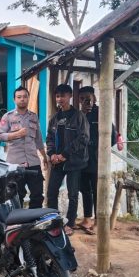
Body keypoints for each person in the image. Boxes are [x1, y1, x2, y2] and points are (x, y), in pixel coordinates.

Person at [46, 84, 89, 236]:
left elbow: (83, 138)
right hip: (57, 162)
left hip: (74, 162)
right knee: (51, 193)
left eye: (63, 96)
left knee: (73, 194)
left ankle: (70, 223)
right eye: (58, 96)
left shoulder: (79, 116)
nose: (60, 99)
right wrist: (51, 154)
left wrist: (64, 154)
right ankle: (54, 222)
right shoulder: (55, 118)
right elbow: (49, 138)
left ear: (70, 96)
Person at [0, 86, 49, 208]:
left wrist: (44, 157)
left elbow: (39, 139)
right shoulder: (8, 116)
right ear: (14, 99)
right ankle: (18, 223)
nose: (22, 99)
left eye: (25, 97)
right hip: (15, 164)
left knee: (37, 195)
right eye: (19, 97)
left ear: (28, 98)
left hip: (33, 162)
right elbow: (0, 136)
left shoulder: (33, 116)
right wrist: (16, 134)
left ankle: (33, 222)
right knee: (16, 195)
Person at [78, 86, 117, 234]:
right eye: (82, 99)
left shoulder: (102, 113)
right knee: (84, 190)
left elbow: (112, 137)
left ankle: (98, 222)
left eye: (88, 98)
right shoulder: (78, 115)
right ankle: (87, 218)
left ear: (94, 98)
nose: (85, 101)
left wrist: (98, 148)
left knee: (97, 190)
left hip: (96, 160)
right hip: (81, 160)